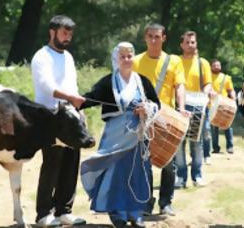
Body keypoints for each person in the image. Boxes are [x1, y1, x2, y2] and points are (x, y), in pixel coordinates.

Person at [79, 42, 160, 228]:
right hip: (115, 137)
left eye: (129, 55)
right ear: (116, 58)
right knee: (114, 173)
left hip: (138, 138)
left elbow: (157, 103)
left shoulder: (143, 81)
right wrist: (72, 102)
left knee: (138, 173)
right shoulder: (108, 82)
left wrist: (146, 108)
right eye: (122, 56)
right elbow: (90, 98)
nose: (126, 59)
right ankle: (117, 213)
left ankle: (136, 213)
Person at [31, 15, 86, 227]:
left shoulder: (69, 57)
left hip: (71, 116)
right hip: (49, 117)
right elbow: (46, 86)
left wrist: (80, 112)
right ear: (52, 32)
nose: (67, 37)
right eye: (64, 32)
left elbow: (73, 86)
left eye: (70, 33)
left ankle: (64, 210)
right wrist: (70, 98)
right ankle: (43, 215)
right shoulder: (41, 56)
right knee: (52, 164)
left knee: (71, 164)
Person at [132, 23, 187, 216]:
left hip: (167, 119)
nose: (153, 40)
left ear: (164, 38)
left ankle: (165, 203)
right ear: (145, 38)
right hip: (143, 119)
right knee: (144, 162)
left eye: (157, 37)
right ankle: (146, 203)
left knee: (169, 164)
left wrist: (181, 108)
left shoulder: (174, 61)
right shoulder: (136, 61)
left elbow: (179, 86)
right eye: (150, 37)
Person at [175, 31, 212, 188]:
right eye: (187, 42)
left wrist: (206, 94)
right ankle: (180, 176)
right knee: (179, 142)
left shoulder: (202, 63)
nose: (190, 45)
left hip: (198, 105)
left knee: (196, 142)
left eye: (193, 42)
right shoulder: (175, 62)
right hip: (179, 105)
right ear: (181, 45)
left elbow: (208, 83)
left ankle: (197, 176)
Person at [210, 59, 236, 155]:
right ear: (211, 66)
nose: (216, 67)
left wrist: (233, 99)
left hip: (225, 105)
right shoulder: (207, 77)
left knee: (227, 126)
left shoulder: (226, 78)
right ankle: (215, 148)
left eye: (218, 65)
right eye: (214, 65)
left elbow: (231, 90)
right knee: (214, 128)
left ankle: (230, 147)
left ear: (220, 67)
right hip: (211, 105)